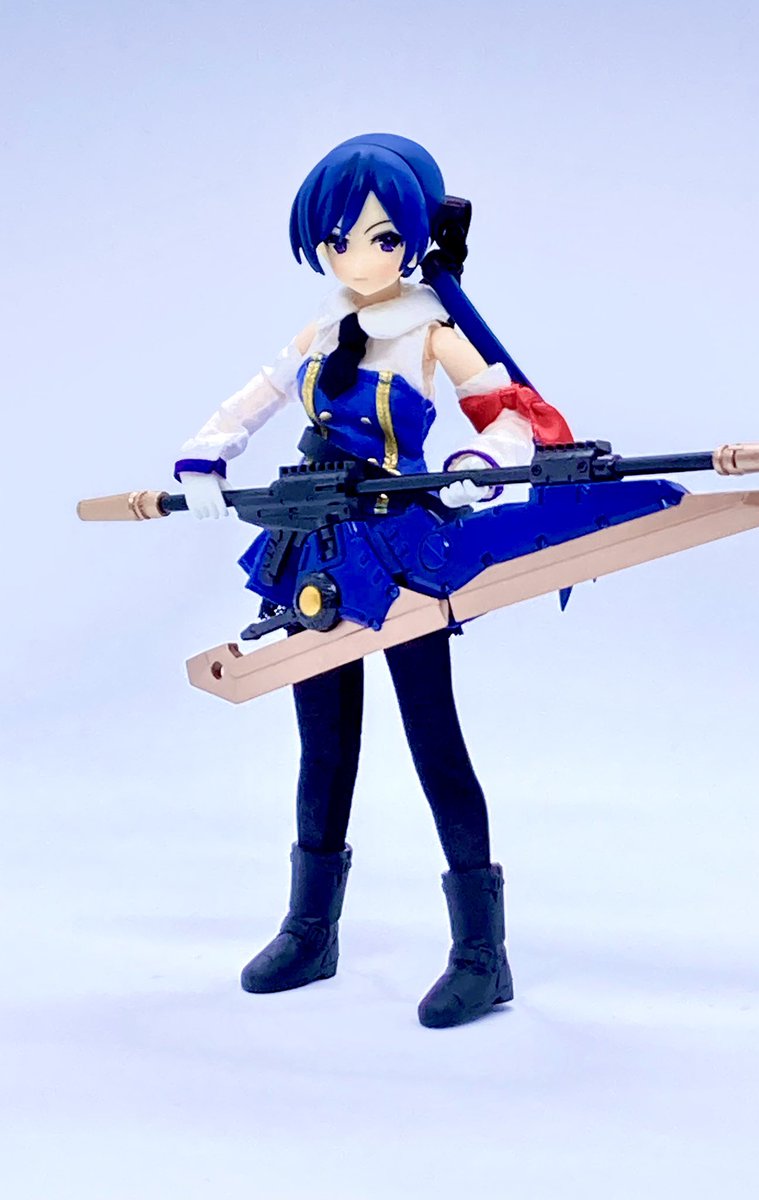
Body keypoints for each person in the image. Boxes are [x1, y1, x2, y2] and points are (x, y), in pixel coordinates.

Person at [173, 134, 571, 1028]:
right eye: (339, 240)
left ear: (415, 239)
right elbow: (254, 399)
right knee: (323, 742)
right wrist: (205, 456)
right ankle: (311, 929)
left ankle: (482, 952)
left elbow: (508, 413)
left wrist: (478, 463)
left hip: (400, 550)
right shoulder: (320, 331)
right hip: (316, 545)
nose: (359, 258)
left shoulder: (431, 329)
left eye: (383, 238)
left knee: (434, 736)